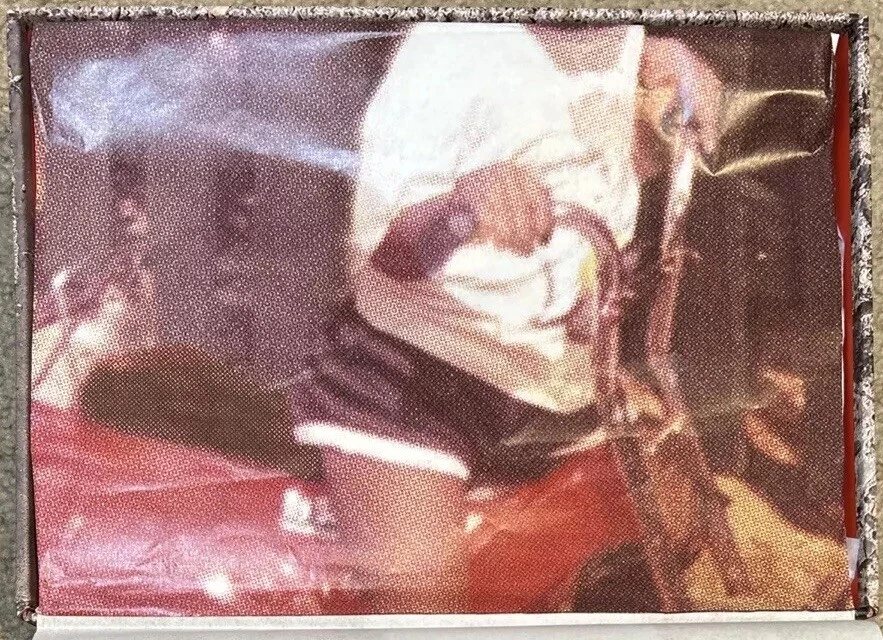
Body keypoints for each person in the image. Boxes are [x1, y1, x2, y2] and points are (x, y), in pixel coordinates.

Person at [284, 22, 723, 612]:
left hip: (557, 384)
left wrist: (677, 74)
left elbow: (615, 150)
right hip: (412, 382)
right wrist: (464, 206)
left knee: (690, 538)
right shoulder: (450, 51)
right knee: (423, 604)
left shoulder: (614, 42)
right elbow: (384, 249)